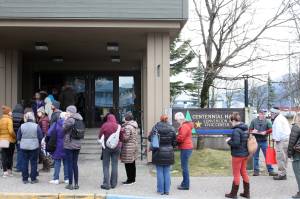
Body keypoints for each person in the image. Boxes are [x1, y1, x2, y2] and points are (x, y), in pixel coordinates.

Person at [148, 114, 176, 195]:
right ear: (167, 119)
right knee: (167, 172)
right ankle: (167, 190)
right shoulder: (172, 128)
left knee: (159, 172)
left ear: (160, 119)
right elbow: (175, 141)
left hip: (158, 152)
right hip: (169, 152)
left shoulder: (155, 127)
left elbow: (150, 138)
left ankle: (160, 190)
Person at [225, 112, 250, 198]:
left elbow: (236, 143)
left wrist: (228, 141)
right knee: (244, 172)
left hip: (237, 155)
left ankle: (233, 194)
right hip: (245, 154)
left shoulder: (236, 130)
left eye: (231, 121)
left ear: (234, 120)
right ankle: (247, 193)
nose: (231, 123)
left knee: (236, 174)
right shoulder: (245, 129)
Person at [99, 114, 124, 190]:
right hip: (116, 148)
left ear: (108, 118)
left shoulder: (104, 125)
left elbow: (100, 136)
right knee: (114, 165)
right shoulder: (118, 126)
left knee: (105, 165)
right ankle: (113, 183)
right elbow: (122, 137)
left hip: (106, 147)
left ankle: (106, 184)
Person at [17, 112, 43, 184]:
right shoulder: (36, 126)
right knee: (34, 163)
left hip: (24, 147)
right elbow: (40, 137)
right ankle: (33, 179)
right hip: (34, 147)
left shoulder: (22, 126)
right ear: (33, 118)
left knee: (24, 162)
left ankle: (25, 179)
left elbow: (18, 137)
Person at [249, 110, 277, 176]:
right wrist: (253, 131)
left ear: (265, 114)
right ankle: (256, 171)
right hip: (255, 141)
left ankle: (270, 171)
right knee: (255, 157)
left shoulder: (267, 121)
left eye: (263, 114)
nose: (262, 115)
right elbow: (250, 129)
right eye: (261, 114)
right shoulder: (254, 121)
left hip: (264, 141)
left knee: (267, 156)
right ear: (259, 114)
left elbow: (271, 129)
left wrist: (266, 132)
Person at [63, 105, 83, 190]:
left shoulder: (70, 120)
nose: (66, 112)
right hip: (78, 144)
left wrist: (65, 119)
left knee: (69, 164)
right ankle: (76, 184)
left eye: (67, 111)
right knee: (75, 164)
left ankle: (70, 184)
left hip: (69, 145)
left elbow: (63, 129)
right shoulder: (80, 119)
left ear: (70, 112)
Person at [174, 112, 193, 190]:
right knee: (184, 166)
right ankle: (185, 182)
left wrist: (175, 138)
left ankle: (185, 185)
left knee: (184, 167)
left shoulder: (184, 126)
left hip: (186, 147)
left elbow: (181, 138)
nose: (177, 121)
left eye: (177, 120)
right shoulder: (186, 125)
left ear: (180, 118)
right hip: (187, 147)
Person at [48, 112, 69, 185]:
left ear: (60, 117)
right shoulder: (68, 124)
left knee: (57, 163)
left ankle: (56, 179)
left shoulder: (56, 124)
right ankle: (67, 179)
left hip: (57, 146)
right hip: (67, 146)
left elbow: (49, 133)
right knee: (66, 163)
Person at [271, 107, 291, 180]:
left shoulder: (278, 120)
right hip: (285, 139)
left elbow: (278, 131)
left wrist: (276, 139)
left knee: (280, 157)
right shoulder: (281, 118)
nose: (271, 114)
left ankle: (282, 174)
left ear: (275, 113)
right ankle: (283, 173)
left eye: (272, 113)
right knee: (284, 157)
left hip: (281, 141)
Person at [120, 112, 139, 185]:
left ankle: (129, 180)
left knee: (128, 164)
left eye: (124, 117)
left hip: (128, 147)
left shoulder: (128, 127)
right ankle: (133, 179)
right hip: (133, 146)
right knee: (132, 163)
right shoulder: (134, 125)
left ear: (126, 118)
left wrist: (121, 135)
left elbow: (126, 138)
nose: (123, 118)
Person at [0, 106, 16, 177]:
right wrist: (14, 136)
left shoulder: (1, 120)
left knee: (3, 155)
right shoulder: (9, 120)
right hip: (10, 140)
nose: (11, 112)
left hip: (3, 140)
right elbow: (11, 131)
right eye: (10, 111)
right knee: (10, 156)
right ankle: (9, 170)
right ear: (8, 112)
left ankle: (4, 171)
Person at [288, 112, 300, 198]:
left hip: (297, 154)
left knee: (298, 173)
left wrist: (289, 153)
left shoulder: (296, 126)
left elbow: (292, 142)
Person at [37, 107, 50, 172]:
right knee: (44, 152)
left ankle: (46, 168)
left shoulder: (44, 120)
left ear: (42, 112)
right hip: (44, 137)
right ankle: (45, 167)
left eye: (38, 112)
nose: (37, 113)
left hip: (43, 138)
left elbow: (44, 130)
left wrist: (43, 138)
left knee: (44, 153)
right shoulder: (43, 119)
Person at [12, 104, 24, 172]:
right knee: (20, 151)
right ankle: (19, 166)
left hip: (12, 135)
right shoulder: (22, 116)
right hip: (20, 136)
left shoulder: (12, 116)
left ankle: (9, 166)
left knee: (11, 151)